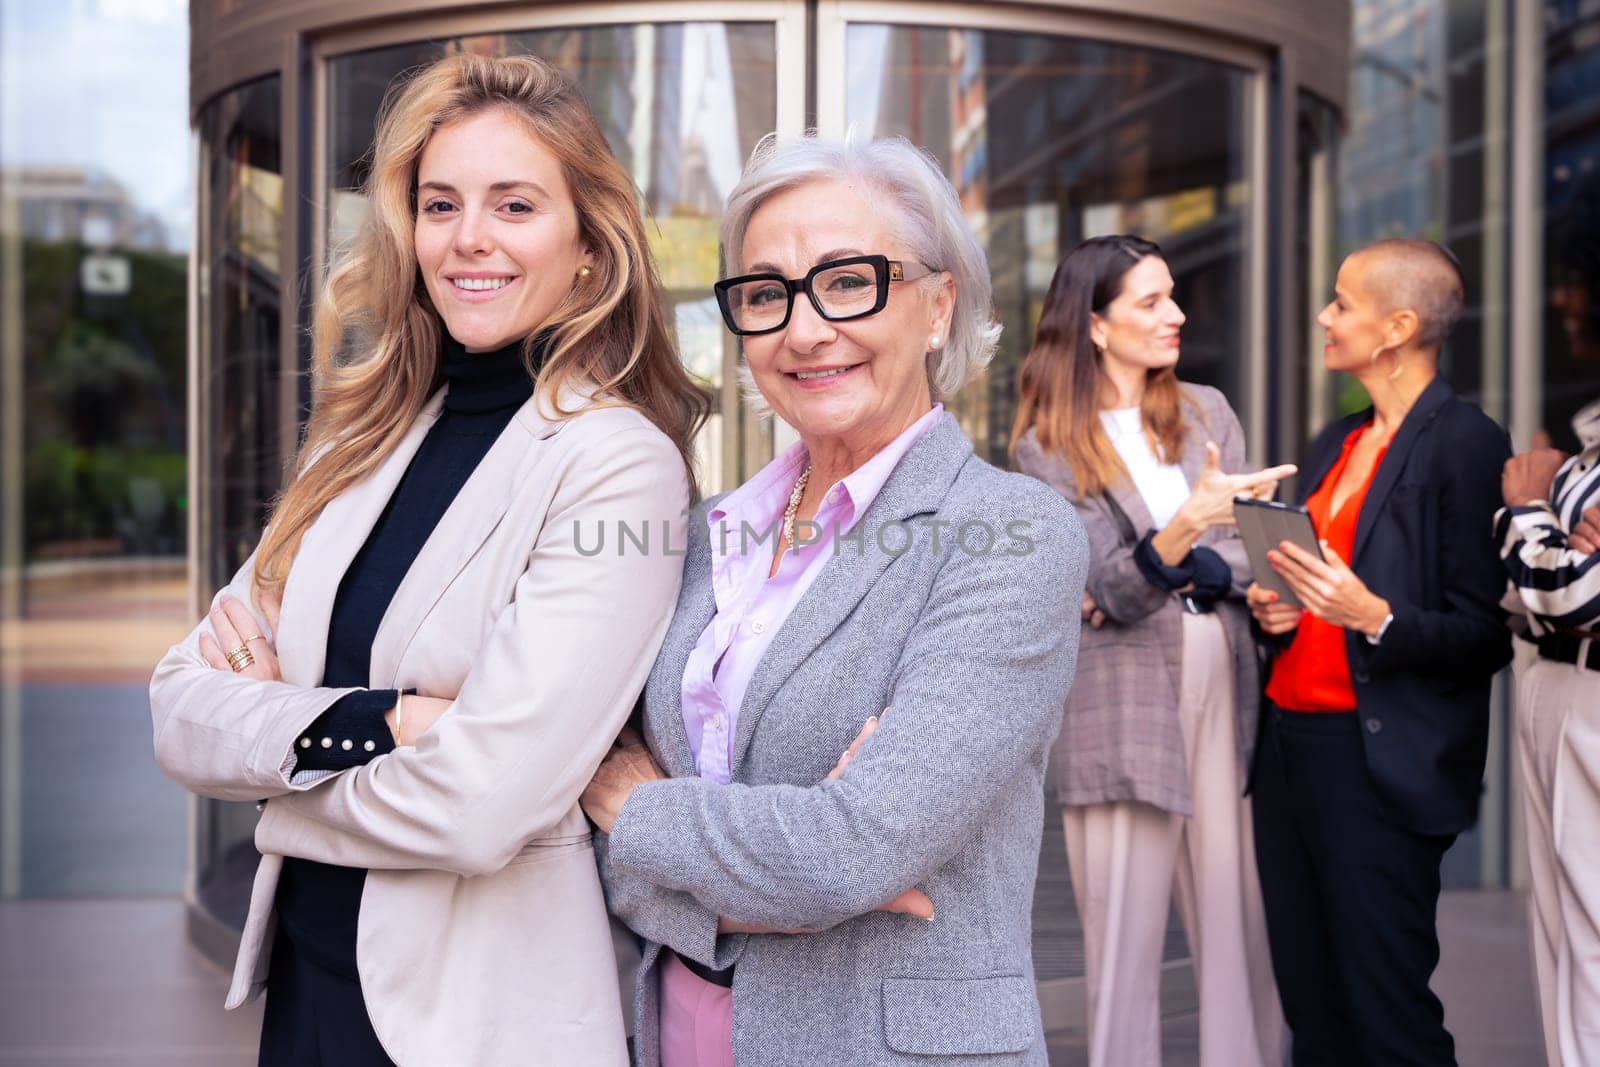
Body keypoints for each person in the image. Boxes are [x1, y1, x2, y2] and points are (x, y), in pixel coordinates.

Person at [149, 52, 707, 1065]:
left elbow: (480, 806)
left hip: (469, 1024)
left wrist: (271, 778)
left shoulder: (614, 462)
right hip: (305, 993)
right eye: (439, 202)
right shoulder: (359, 436)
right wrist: (390, 721)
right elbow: (179, 704)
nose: (469, 239)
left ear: (587, 241)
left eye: (515, 204)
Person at [578, 133, 1089, 1066]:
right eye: (767, 294)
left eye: (848, 280)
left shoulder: (1014, 535)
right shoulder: (705, 538)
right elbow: (590, 827)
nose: (805, 330)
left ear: (937, 307)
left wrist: (638, 809)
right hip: (676, 1034)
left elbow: (850, 849)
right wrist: (768, 883)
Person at [1009, 235, 1292, 1067]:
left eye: (1173, 296)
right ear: (1095, 325)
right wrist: (1189, 533)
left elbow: (1256, 558)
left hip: (1224, 672)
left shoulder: (1206, 411)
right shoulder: (1046, 449)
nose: (1175, 315)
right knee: (1123, 930)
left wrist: (1176, 560)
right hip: (1123, 696)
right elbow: (1101, 584)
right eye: (1150, 301)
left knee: (1236, 914)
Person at [1247, 237, 1512, 1065]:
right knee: (1313, 1007)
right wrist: (1275, 606)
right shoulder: (1336, 439)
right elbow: (1313, 587)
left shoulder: (1465, 442)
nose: (1325, 317)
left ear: (1398, 326)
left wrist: (1377, 616)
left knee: (1388, 1012)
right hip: (1291, 750)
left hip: (1375, 764)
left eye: (1341, 302)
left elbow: (1485, 633)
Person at [1499, 396, 1600, 1067]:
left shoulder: (1554, 475)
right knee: (1562, 933)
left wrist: (1531, 512)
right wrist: (1553, 556)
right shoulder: (1581, 451)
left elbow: (1573, 597)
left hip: (1591, 698)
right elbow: (1516, 596)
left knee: (1591, 934)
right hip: (1555, 683)